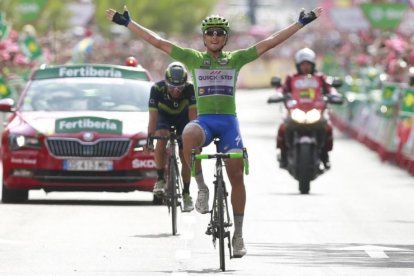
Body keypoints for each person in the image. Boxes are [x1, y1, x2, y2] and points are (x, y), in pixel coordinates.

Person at [106, 5, 322, 258]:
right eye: (210, 33)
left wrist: (300, 23)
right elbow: (159, 42)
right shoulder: (194, 59)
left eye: (220, 33)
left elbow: (270, 43)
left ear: (226, 37)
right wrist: (128, 23)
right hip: (205, 122)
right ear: (204, 37)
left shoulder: (236, 59)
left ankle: (238, 235)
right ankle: (201, 187)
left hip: (229, 124)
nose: (215, 37)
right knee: (188, 134)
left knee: (237, 177)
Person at [147, 62, 197, 212]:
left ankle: (187, 192)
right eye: (172, 87)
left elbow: (193, 118)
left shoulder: (190, 89)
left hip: (183, 118)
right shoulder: (156, 89)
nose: (176, 91)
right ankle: (160, 179)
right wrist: (150, 138)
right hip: (164, 117)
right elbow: (153, 118)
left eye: (180, 88)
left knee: (185, 153)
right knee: (161, 137)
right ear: (166, 83)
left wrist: (193, 139)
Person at [277, 47, 335, 169]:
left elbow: (330, 89)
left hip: (316, 111)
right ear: (298, 65)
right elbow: (282, 90)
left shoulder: (320, 77)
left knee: (328, 127)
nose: (305, 67)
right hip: (296, 111)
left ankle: (325, 155)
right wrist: (278, 95)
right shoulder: (291, 78)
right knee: (282, 127)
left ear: (313, 64)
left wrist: (334, 95)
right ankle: (283, 155)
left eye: (308, 64)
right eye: (303, 64)